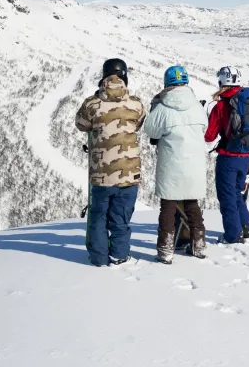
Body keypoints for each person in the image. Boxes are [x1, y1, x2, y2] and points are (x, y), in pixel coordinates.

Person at [75, 58, 145, 267]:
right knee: (120, 220)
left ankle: (98, 258)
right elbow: (138, 123)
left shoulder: (92, 104)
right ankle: (120, 256)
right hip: (129, 174)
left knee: (98, 218)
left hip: (101, 175)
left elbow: (81, 124)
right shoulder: (136, 104)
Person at [144, 65, 208, 264]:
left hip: (171, 166)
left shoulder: (163, 108)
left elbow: (150, 131)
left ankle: (165, 249)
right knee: (192, 205)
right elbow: (204, 129)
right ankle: (199, 245)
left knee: (168, 208)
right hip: (195, 166)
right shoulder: (197, 107)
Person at [205, 66, 249, 243]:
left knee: (227, 196)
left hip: (228, 157)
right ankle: (246, 228)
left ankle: (233, 235)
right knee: (236, 193)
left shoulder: (220, 106)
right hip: (246, 157)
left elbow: (209, 136)